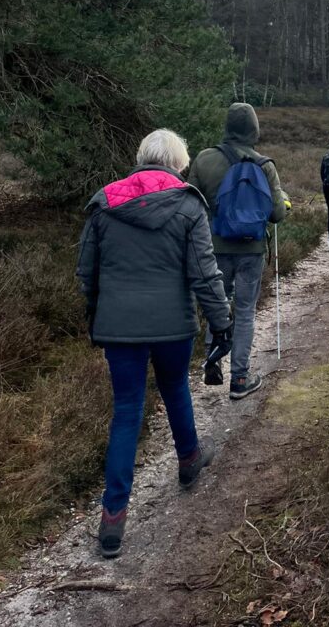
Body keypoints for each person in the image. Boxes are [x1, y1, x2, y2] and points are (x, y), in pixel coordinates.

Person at [77, 129, 232, 560]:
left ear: (142, 158)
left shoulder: (104, 202)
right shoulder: (187, 204)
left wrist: (97, 315)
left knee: (127, 411)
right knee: (175, 387)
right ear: (178, 164)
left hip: (118, 327)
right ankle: (188, 460)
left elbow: (86, 272)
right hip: (172, 326)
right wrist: (222, 324)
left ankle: (112, 518)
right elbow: (205, 272)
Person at [188, 103, 287, 401]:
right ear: (254, 129)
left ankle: (212, 360)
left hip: (214, 249)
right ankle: (240, 378)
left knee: (218, 305)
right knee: (244, 312)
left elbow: (189, 202)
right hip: (251, 251)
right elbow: (277, 215)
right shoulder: (264, 165)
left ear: (227, 126)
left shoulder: (205, 159)